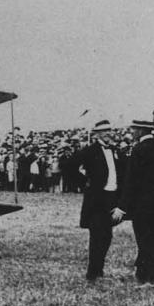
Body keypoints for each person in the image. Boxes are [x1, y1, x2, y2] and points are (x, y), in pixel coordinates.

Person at [115, 109, 154, 286]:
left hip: (143, 206)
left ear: (141, 131)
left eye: (134, 130)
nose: (132, 133)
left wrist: (122, 206)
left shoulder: (139, 149)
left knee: (144, 240)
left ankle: (144, 275)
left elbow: (131, 181)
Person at [62, 120, 125, 282]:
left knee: (107, 235)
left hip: (112, 198)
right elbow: (68, 166)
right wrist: (84, 183)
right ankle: (93, 272)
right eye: (104, 131)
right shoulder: (90, 151)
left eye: (109, 130)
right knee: (97, 235)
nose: (108, 133)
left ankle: (99, 269)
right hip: (97, 199)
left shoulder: (115, 150)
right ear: (97, 134)